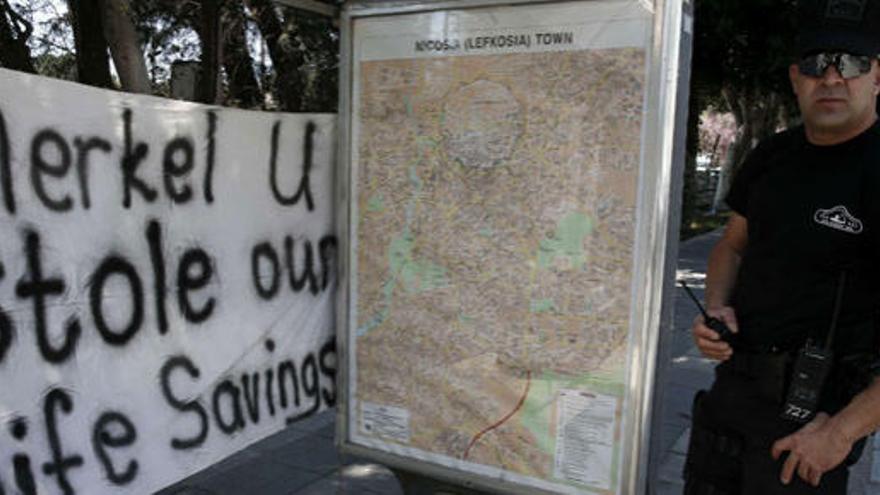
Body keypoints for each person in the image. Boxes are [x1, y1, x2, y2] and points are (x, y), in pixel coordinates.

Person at [683, 0, 880, 493]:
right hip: (729, 408)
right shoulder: (771, 155)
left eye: (852, 63)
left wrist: (841, 432)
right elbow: (731, 247)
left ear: (877, 76)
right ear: (796, 77)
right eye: (816, 64)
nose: (832, 78)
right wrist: (716, 309)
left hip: (811, 431)